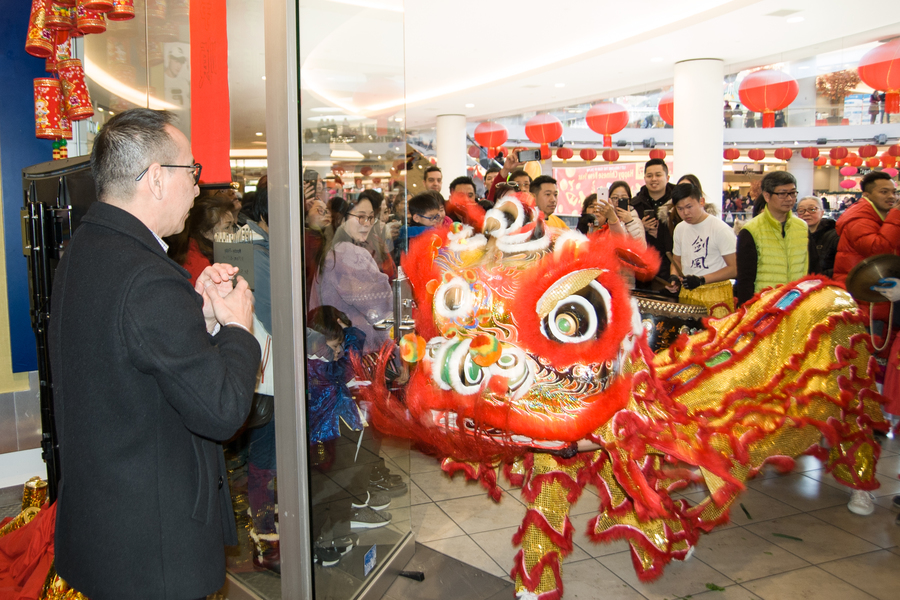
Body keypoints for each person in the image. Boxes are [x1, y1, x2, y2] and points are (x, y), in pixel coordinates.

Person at [49, 108, 260, 599]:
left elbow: (132, 359)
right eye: (192, 172)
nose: (197, 188)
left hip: (105, 526)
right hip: (151, 548)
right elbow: (221, 411)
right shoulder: (147, 277)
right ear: (157, 179)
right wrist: (237, 328)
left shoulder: (87, 248)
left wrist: (200, 317)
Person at [311, 194, 393, 354]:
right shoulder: (346, 253)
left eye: (370, 218)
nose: (367, 224)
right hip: (358, 346)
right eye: (360, 217)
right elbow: (378, 302)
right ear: (343, 220)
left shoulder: (333, 250)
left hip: (340, 343)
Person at [834, 171, 900, 348]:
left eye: (894, 192)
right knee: (867, 361)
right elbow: (877, 249)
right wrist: (895, 216)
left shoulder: (882, 215)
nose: (891, 197)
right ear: (866, 195)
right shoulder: (859, 218)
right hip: (865, 303)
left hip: (880, 299)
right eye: (884, 192)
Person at [734, 171, 807, 307]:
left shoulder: (802, 227)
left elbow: (813, 269)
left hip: (799, 308)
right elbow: (745, 279)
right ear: (767, 196)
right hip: (763, 309)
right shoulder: (751, 230)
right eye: (782, 194)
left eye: (792, 193)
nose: (789, 198)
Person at [667, 183, 737, 317]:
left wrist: (702, 280)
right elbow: (676, 260)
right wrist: (674, 276)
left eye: (689, 207)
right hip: (688, 294)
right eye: (680, 209)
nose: (685, 213)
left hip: (716, 293)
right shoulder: (680, 229)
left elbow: (735, 269)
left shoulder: (720, 229)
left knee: (715, 336)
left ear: (701, 201)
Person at [166, 193, 236, 284]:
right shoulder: (200, 266)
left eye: (232, 226)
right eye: (227, 228)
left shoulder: (196, 251)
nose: (232, 233)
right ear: (205, 232)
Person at [631, 158, 675, 293]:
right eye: (649, 176)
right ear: (644, 178)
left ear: (667, 177)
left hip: (670, 268)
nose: (653, 179)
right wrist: (639, 227)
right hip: (642, 271)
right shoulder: (634, 205)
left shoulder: (677, 203)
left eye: (658, 175)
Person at [797, 196, 838, 277]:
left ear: (822, 212)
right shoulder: (795, 235)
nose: (806, 214)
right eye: (801, 211)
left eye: (812, 209)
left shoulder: (834, 236)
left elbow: (840, 267)